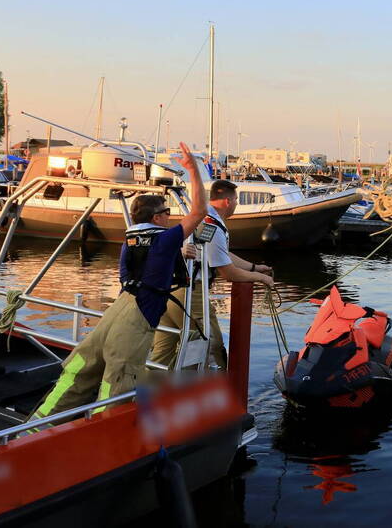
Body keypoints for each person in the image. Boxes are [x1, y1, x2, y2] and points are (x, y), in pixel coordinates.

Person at [28, 142, 206, 422]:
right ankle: (101, 435)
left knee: (79, 371)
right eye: (167, 212)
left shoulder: (130, 239)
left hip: (116, 310)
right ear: (157, 218)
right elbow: (198, 212)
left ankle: (36, 426)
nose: (170, 216)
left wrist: (177, 252)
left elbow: (132, 274)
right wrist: (194, 170)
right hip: (135, 320)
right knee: (117, 382)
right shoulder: (164, 239)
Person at [150, 179, 275, 369]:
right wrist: (262, 278)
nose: (236, 205)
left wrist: (254, 268)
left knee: (163, 351)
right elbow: (228, 272)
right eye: (235, 200)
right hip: (191, 294)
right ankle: (207, 391)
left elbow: (221, 254)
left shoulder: (205, 220)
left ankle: (146, 393)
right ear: (227, 202)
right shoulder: (213, 226)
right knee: (209, 345)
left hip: (169, 290)